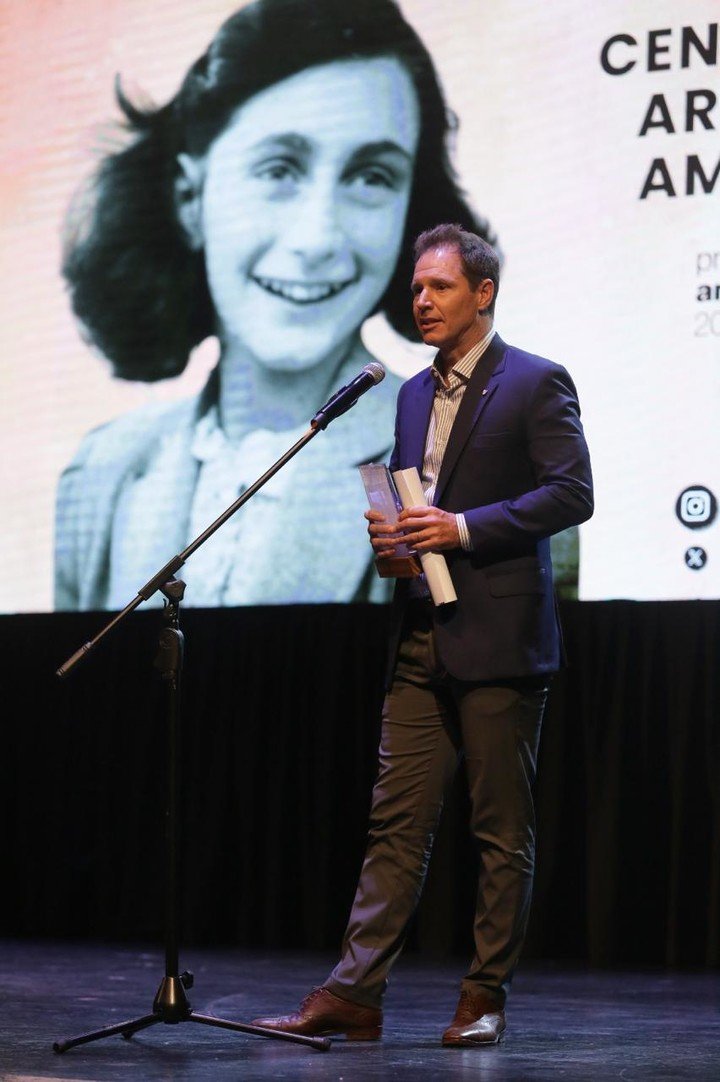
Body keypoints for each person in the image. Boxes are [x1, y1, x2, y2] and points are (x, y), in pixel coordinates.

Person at [251, 223, 594, 1045]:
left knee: (498, 831)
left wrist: (462, 529)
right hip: (420, 634)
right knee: (394, 824)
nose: (422, 301)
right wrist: (399, 543)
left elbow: (571, 493)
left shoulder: (535, 382)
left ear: (483, 293)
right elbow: (416, 503)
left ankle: (484, 999)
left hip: (501, 639)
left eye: (439, 287)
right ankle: (355, 994)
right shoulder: (408, 392)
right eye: (415, 288)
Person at [54, 0, 498, 610]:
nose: (317, 239)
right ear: (191, 198)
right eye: (279, 168)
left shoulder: (466, 448)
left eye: (371, 176)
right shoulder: (102, 471)